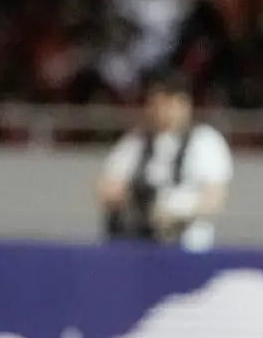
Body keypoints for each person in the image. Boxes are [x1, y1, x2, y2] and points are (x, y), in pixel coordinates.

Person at [97, 70, 233, 252]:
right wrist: (140, 203)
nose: (161, 111)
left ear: (185, 104)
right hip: (138, 235)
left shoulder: (205, 141)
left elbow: (214, 199)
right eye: (155, 104)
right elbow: (107, 187)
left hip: (186, 239)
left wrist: (174, 210)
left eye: (168, 104)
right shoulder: (135, 141)